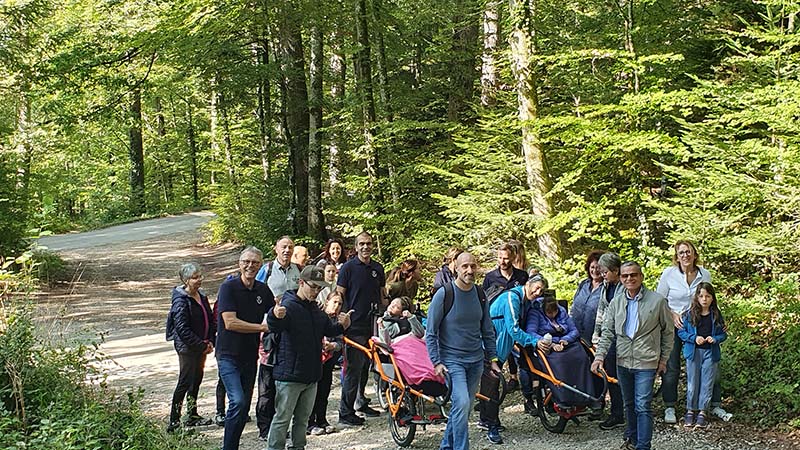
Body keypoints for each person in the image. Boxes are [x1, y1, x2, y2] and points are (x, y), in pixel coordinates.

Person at [265, 266, 352, 450]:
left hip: (312, 374)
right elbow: (275, 327)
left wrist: (342, 326)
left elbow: (328, 330)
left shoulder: (316, 310)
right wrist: (274, 315)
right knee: (282, 419)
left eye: (320, 288)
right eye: (313, 287)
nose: (316, 291)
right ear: (301, 283)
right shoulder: (288, 305)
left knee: (303, 420)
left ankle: (299, 447)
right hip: (289, 374)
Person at [591, 261, 673, 450]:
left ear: (641, 276)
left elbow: (668, 332)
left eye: (633, 275)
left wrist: (663, 359)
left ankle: (643, 446)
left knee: (643, 405)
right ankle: (632, 439)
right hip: (623, 361)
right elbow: (607, 332)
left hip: (647, 361)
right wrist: (599, 357)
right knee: (628, 404)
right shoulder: (616, 302)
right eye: (625, 276)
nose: (630, 279)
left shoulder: (657, 301)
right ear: (620, 278)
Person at [426, 252, 500, 450]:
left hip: (476, 361)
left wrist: (492, 359)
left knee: (462, 409)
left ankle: (445, 446)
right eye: (465, 266)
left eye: (473, 266)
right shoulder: (444, 294)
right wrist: (436, 361)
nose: (469, 270)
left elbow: (487, 329)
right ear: (456, 268)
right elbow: (430, 332)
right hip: (452, 361)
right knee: (463, 403)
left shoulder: (479, 294)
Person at [655, 240, 721, 425]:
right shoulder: (669, 274)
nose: (685, 255)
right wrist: (672, 314)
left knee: (709, 362)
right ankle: (670, 406)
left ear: (694, 254)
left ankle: (712, 403)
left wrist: (718, 322)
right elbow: (660, 301)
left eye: (688, 251)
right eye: (681, 252)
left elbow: (709, 298)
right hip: (674, 324)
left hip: (700, 324)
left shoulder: (704, 274)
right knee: (671, 365)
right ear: (676, 256)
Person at [216, 246, 273, 450]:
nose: (250, 266)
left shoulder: (262, 289)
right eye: (246, 262)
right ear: (239, 264)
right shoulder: (228, 288)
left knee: (244, 405)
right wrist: (262, 327)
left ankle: (233, 445)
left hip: (250, 357)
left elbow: (274, 310)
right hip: (228, 355)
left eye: (255, 263)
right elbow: (230, 322)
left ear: (260, 266)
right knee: (238, 401)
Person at [477, 275, 542, 444]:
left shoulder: (524, 301)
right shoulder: (512, 298)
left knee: (488, 384)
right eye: (535, 288)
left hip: (499, 348)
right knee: (492, 385)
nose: (537, 292)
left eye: (541, 290)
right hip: (492, 348)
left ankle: (485, 419)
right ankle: (491, 425)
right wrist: (534, 341)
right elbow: (513, 329)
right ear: (527, 285)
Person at [253, 236, 302, 440]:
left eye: (290, 247)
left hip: (289, 329)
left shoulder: (297, 270)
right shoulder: (267, 270)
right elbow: (255, 293)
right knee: (266, 377)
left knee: (284, 376)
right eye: (283, 247)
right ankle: (264, 427)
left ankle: (280, 423)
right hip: (269, 329)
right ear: (276, 249)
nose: (287, 250)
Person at [337, 231, 386, 426]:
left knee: (367, 366)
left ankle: (361, 401)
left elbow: (383, 295)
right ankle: (345, 412)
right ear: (356, 247)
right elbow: (339, 294)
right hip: (354, 326)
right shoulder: (348, 268)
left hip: (373, 325)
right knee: (353, 369)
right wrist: (339, 319)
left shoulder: (378, 268)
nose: (365, 247)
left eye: (369, 244)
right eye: (362, 244)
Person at [526, 294, 599, 410]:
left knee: (582, 358)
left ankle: (586, 396)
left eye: (554, 313)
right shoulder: (535, 313)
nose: (553, 315)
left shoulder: (561, 311)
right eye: (549, 313)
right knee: (560, 362)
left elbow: (574, 330)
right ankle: (564, 397)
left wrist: (565, 340)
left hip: (566, 341)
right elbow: (531, 332)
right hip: (547, 343)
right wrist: (552, 343)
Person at [166, 263, 215, 432]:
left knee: (196, 380)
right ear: (186, 280)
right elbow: (182, 328)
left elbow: (209, 318)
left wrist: (210, 340)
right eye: (195, 277)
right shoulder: (180, 300)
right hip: (187, 348)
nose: (199, 280)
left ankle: (192, 415)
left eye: (200, 276)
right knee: (185, 381)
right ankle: (174, 421)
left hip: (201, 346)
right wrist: (201, 344)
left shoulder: (201, 295)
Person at [677, 282, 727, 429]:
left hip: (710, 353)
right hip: (693, 353)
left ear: (712, 298)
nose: (704, 299)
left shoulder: (716, 315)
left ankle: (703, 412)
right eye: (701, 296)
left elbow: (723, 334)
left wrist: (715, 339)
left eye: (708, 296)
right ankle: (690, 410)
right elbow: (681, 332)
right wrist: (694, 338)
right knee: (693, 383)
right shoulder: (689, 314)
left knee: (707, 383)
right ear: (696, 298)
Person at [482, 242, 528, 392]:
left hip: (517, 320)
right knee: (496, 357)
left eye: (506, 258)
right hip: (498, 323)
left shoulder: (521, 276)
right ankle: (489, 393)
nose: (502, 261)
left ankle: (521, 384)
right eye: (500, 258)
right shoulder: (490, 277)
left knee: (522, 353)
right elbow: (485, 299)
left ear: (513, 257)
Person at [592, 252, 626, 430]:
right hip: (608, 337)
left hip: (622, 339)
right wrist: (596, 337)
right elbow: (601, 311)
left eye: (605, 272)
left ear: (615, 270)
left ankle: (622, 412)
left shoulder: (624, 286)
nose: (603, 275)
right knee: (611, 375)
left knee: (621, 377)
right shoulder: (606, 286)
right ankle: (617, 413)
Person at [570, 250, 605, 419]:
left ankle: (598, 403)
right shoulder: (583, 284)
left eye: (598, 267)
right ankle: (582, 400)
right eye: (592, 267)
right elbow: (574, 305)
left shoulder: (608, 288)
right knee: (579, 368)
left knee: (596, 369)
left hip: (595, 336)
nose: (595, 271)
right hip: (576, 334)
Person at [308, 292, 345, 435]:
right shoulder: (317, 315)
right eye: (334, 302)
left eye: (340, 303)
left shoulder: (337, 320)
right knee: (312, 392)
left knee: (324, 391)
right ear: (327, 301)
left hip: (329, 359)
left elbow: (340, 342)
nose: (337, 306)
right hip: (314, 359)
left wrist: (333, 346)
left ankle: (322, 419)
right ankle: (309, 422)